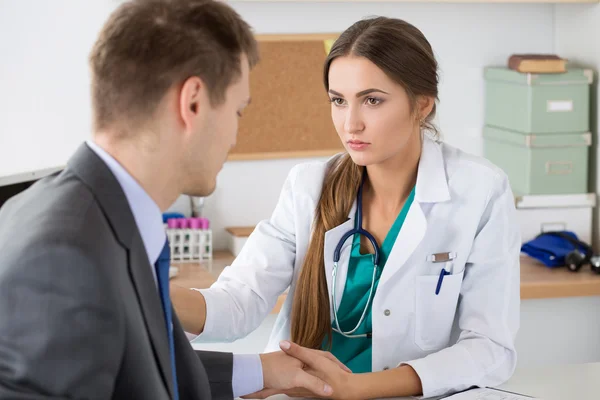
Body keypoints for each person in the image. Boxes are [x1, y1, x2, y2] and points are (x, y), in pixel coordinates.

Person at [0, 0, 349, 399]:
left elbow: (140, 366)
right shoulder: (64, 260)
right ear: (193, 103)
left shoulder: (103, 219)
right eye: (237, 112)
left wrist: (261, 371)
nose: (234, 137)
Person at [172, 16, 521, 399]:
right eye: (338, 101)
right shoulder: (308, 187)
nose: (350, 123)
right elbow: (239, 301)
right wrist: (146, 290)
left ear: (422, 105)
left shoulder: (479, 190)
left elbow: (490, 349)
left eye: (372, 100)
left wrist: (356, 388)